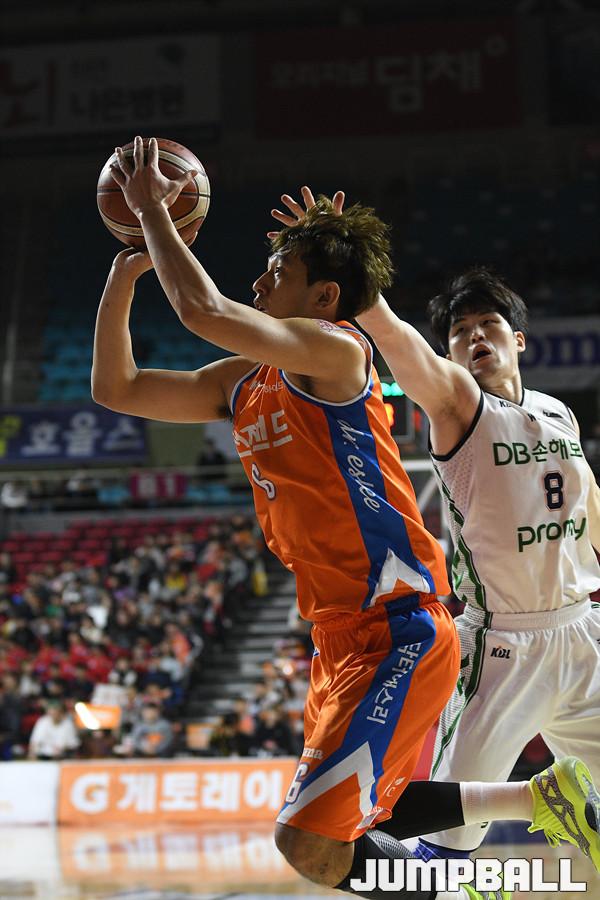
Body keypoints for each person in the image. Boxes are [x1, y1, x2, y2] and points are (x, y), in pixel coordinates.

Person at [92, 140, 599, 900]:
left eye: (279, 271)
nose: (259, 280)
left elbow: (204, 310)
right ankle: (533, 810)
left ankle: (469, 881)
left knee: (310, 843)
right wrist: (125, 267)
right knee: (358, 822)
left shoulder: (336, 352)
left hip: (397, 624)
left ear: (325, 296)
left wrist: (154, 214)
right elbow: (117, 388)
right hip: (337, 635)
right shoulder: (241, 380)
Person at [270, 190, 600, 878]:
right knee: (449, 843)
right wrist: (347, 264)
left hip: (582, 633)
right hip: (503, 648)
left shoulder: (557, 413)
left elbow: (587, 510)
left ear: (519, 339)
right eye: (459, 331)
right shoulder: (457, 403)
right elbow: (395, 339)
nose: (474, 336)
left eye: (489, 324)